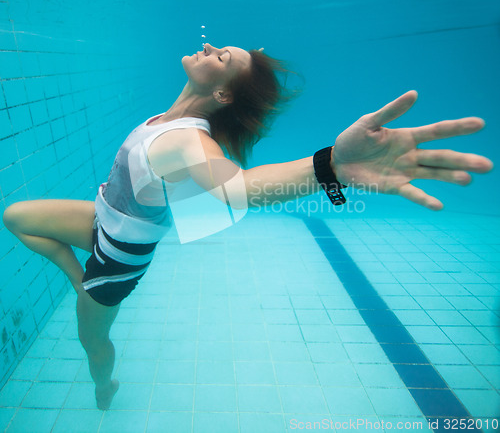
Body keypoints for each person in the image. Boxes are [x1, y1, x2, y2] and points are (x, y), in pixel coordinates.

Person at [2, 43, 493, 410]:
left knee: (91, 342)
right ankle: (76, 282)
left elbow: (237, 188)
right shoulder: (167, 119)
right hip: (101, 220)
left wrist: (333, 167)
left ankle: (102, 384)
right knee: (15, 217)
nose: (211, 48)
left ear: (221, 91)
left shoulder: (184, 141)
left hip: (115, 261)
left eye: (223, 58)